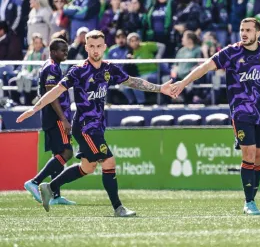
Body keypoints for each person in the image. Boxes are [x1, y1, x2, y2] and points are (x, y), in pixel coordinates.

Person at [16, 30, 173, 216]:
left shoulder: (109, 69)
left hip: (97, 126)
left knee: (87, 167)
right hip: (85, 127)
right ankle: (118, 208)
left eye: (99, 46)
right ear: (86, 47)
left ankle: (50, 187)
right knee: (109, 161)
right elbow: (56, 90)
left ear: (104, 47)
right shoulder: (79, 70)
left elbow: (131, 82)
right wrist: (34, 108)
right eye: (91, 46)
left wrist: (160, 88)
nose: (95, 50)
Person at [171, 18, 260, 215]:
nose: (244, 33)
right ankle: (249, 202)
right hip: (242, 112)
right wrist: (183, 82)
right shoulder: (231, 52)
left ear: (258, 33)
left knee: (259, 156)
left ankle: (253, 196)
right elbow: (205, 67)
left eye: (248, 30)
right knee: (249, 153)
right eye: (242, 29)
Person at [23, 38, 76, 206]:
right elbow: (52, 96)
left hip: (49, 116)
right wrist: (64, 119)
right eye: (62, 50)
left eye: (66, 50)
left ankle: (55, 195)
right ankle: (35, 182)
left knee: (58, 154)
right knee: (67, 153)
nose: (65, 53)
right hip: (55, 116)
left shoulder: (50, 64)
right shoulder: (52, 67)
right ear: (53, 52)